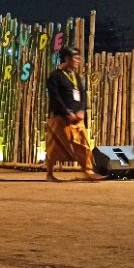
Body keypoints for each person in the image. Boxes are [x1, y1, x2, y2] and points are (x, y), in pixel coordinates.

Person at [45, 46, 103, 182]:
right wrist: (67, 112)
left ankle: (88, 171)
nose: (78, 61)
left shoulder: (76, 76)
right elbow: (55, 97)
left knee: (83, 143)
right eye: (75, 58)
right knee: (55, 145)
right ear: (66, 58)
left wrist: (81, 110)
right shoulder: (55, 76)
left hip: (77, 117)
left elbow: (83, 95)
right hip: (59, 117)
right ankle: (49, 173)